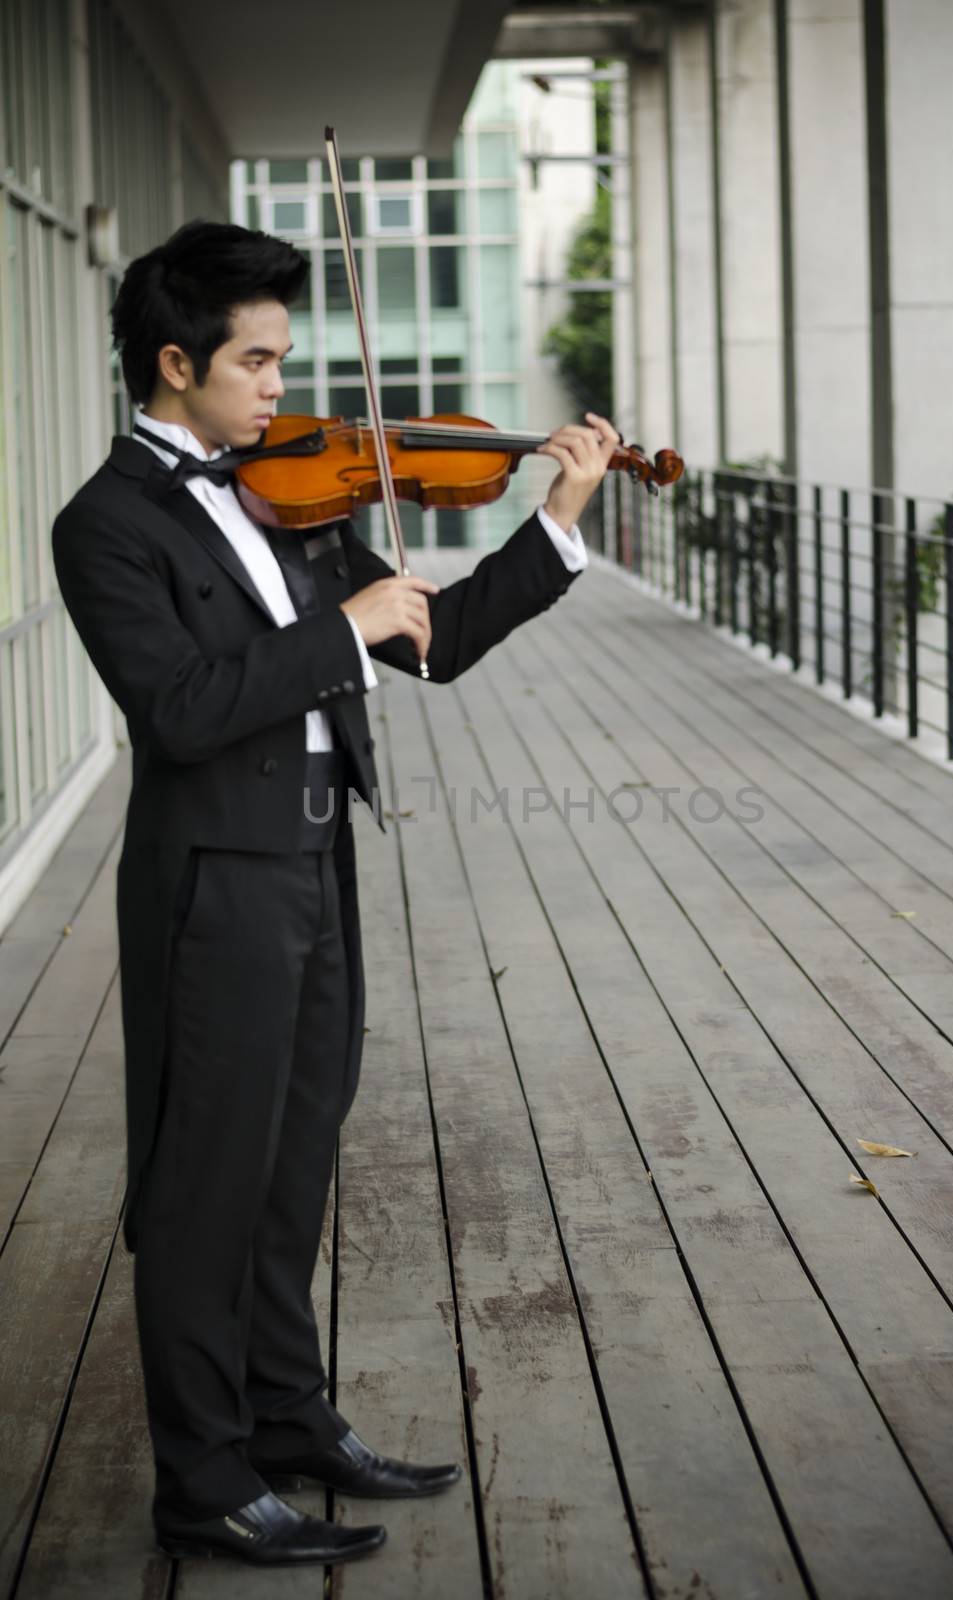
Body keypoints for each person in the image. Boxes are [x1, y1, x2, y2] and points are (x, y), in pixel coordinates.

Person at [51, 219, 617, 1570]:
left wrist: (557, 518)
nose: (279, 393)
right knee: (204, 1185)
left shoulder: (285, 498)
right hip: (214, 892)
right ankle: (203, 1480)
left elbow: (443, 638)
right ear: (175, 362)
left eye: (287, 362)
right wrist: (337, 630)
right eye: (255, 364)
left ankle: (286, 1416)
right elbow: (182, 712)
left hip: (314, 861)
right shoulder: (106, 525)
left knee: (294, 1158)